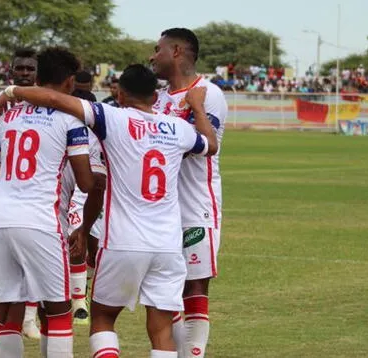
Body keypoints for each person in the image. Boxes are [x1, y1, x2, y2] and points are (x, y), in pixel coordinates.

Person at [0, 63, 218, 358]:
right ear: (154, 96)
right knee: (161, 328)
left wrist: (11, 90)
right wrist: (198, 107)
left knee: (102, 318)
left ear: (120, 94)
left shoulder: (110, 117)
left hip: (122, 240)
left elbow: (54, 99)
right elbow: (210, 145)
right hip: (167, 245)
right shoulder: (177, 128)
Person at [0, 47, 94, 358]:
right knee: (60, 310)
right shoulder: (70, 119)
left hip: (0, 221)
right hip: (41, 222)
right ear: (67, 82)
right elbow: (85, 183)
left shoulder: (8, 117)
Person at [150, 27, 228, 358]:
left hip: (196, 205)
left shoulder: (208, 93)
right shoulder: (156, 99)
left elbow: (203, 147)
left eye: (158, 49)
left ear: (178, 51)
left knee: (195, 288)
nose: (153, 56)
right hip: (160, 209)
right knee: (167, 291)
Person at [0, 47, 42, 341]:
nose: (25, 73)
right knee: (4, 267)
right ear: (11, 71)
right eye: (21, 69)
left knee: (35, 266)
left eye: (30, 68)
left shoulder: (50, 103)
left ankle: (30, 317)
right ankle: (20, 318)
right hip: (3, 191)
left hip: (39, 195)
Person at [62, 90, 108, 326]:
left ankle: (82, 287)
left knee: (94, 245)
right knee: (75, 240)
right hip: (67, 191)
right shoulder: (62, 124)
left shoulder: (97, 134)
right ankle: (79, 301)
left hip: (92, 190)